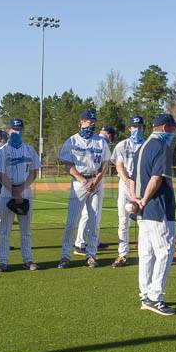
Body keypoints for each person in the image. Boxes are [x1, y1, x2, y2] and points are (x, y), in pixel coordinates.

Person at [133, 113, 176, 315]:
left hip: (143, 209)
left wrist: (136, 201)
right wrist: (144, 200)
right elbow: (155, 179)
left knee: (146, 253)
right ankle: (155, 296)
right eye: (172, 128)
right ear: (164, 128)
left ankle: (145, 294)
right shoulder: (161, 147)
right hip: (157, 206)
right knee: (164, 251)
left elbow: (129, 178)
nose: (173, 132)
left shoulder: (141, 147)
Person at [58, 109, 111, 268]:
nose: (91, 124)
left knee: (94, 221)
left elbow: (105, 164)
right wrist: (83, 180)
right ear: (80, 122)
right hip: (78, 182)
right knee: (72, 222)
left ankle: (91, 255)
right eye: (88, 121)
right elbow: (68, 165)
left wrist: (95, 180)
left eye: (93, 121)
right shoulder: (72, 141)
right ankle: (65, 256)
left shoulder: (101, 141)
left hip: (96, 182)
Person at [0, 118, 41, 272]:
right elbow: (0, 174)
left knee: (26, 230)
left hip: (25, 192)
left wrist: (21, 189)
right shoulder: (2, 151)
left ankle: (28, 260)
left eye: (19, 129)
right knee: (4, 230)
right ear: (8, 131)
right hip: (7, 193)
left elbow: (34, 172)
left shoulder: (29, 149)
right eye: (13, 129)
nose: (16, 132)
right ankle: (2, 262)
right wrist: (14, 191)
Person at [110, 116, 146, 267]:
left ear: (143, 128)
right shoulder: (122, 145)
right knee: (123, 220)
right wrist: (127, 181)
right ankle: (122, 254)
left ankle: (144, 253)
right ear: (129, 128)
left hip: (142, 186)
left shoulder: (147, 145)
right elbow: (119, 165)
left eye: (139, 126)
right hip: (125, 184)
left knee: (143, 221)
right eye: (134, 126)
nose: (136, 129)